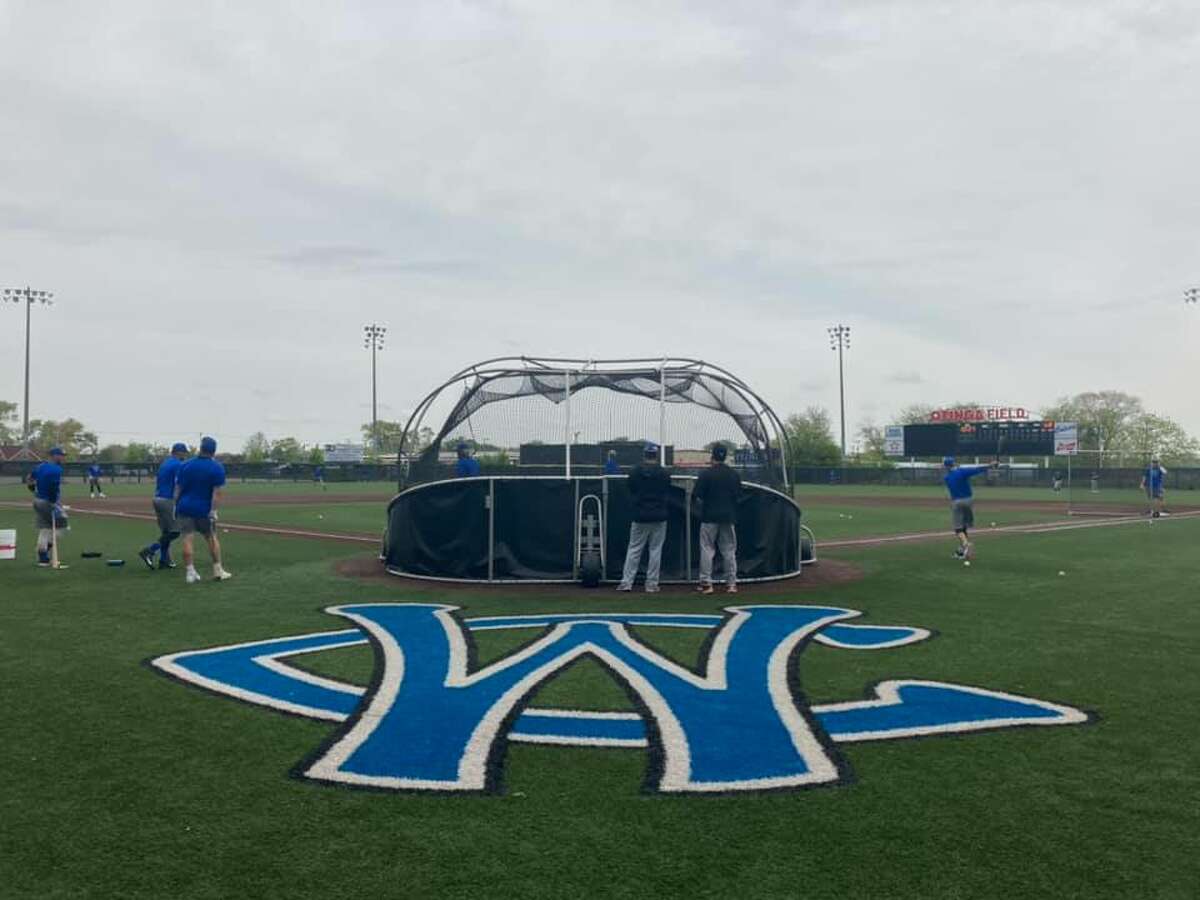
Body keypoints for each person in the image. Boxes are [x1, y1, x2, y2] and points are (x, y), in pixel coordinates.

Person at [175, 436, 232, 584]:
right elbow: (217, 493)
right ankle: (218, 570)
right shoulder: (217, 467)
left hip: (184, 507)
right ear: (213, 451)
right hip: (204, 509)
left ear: (200, 448)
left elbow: (178, 489)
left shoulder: (185, 465)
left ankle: (190, 572)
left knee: (187, 539)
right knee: (211, 538)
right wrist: (213, 511)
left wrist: (176, 504)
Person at [617, 443, 671, 593]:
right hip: (659, 515)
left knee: (634, 549)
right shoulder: (664, 473)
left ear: (644, 455)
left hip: (640, 514)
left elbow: (630, 489)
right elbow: (667, 489)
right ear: (656, 455)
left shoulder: (635, 472)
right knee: (655, 550)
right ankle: (652, 584)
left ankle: (626, 583)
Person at [695, 444, 741, 594]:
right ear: (725, 456)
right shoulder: (733, 474)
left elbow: (698, 497)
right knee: (729, 550)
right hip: (728, 516)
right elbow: (738, 496)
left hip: (709, 516)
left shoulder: (706, 474)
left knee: (707, 549)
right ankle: (731, 584)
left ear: (712, 456)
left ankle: (707, 584)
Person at [137, 443, 189, 570]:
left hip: (157, 498)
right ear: (178, 452)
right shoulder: (178, 464)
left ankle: (164, 560)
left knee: (166, 531)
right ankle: (150, 550)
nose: (185, 455)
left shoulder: (165, 463)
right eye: (184, 452)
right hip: (168, 500)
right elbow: (179, 484)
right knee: (175, 532)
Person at [943, 456, 997, 560]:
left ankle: (966, 544)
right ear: (954, 464)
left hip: (957, 502)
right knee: (964, 527)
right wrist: (990, 465)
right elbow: (977, 469)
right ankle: (961, 551)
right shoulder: (962, 471)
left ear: (946, 466)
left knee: (958, 529)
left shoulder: (947, 478)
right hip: (969, 501)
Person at [28, 447, 69, 568]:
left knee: (45, 528)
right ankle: (45, 550)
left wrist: (34, 490)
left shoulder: (40, 466)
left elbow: (29, 479)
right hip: (48, 502)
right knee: (62, 525)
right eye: (61, 455)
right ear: (54, 456)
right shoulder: (56, 469)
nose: (63, 457)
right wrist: (53, 502)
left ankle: (43, 558)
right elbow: (53, 486)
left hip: (37, 500)